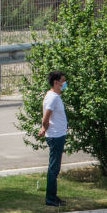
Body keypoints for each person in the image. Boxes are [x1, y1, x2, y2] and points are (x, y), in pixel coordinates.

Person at [37, 70, 68, 206]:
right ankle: (50, 198)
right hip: (55, 136)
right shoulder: (53, 97)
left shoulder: (54, 96)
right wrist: (44, 127)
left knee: (55, 167)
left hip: (58, 134)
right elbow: (46, 116)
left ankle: (53, 196)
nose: (64, 83)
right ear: (56, 82)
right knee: (53, 168)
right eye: (62, 81)